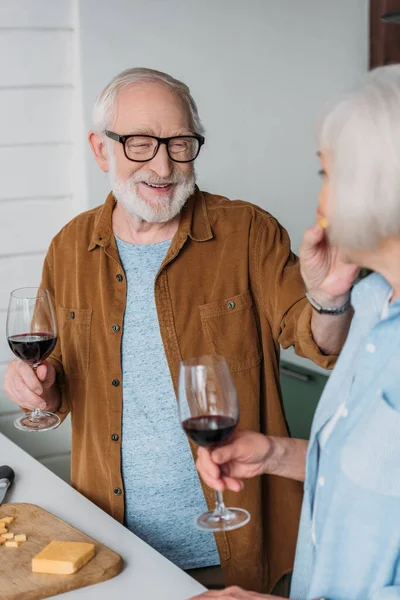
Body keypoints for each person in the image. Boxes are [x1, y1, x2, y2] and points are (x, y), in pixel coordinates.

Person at [3, 68, 356, 592]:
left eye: (181, 143)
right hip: (110, 549)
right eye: (142, 143)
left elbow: (322, 342)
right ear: (102, 151)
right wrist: (37, 388)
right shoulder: (69, 247)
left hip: (236, 547)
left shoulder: (247, 231)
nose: (164, 165)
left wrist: (329, 301)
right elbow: (58, 385)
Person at [192, 65, 400, 599]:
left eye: (327, 176)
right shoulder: (375, 305)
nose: (322, 199)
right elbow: (376, 487)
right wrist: (273, 455)